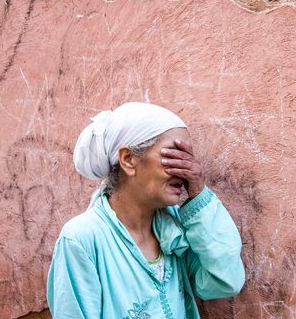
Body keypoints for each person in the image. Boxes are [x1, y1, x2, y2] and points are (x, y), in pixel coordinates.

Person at [47, 102, 245, 318]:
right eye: (174, 155)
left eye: (188, 157)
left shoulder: (173, 231)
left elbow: (225, 281)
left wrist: (198, 193)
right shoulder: (82, 239)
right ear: (129, 159)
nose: (186, 169)